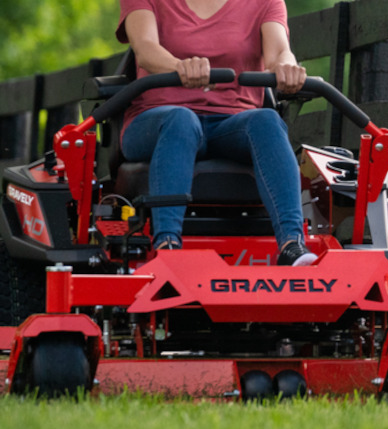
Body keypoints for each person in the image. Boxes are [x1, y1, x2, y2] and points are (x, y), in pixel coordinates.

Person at [117, 0, 316, 266]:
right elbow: (145, 50)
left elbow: (280, 51)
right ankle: (167, 246)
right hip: (159, 120)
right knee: (181, 120)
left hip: (229, 122)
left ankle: (293, 246)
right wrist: (180, 67)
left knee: (267, 119)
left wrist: (286, 66)